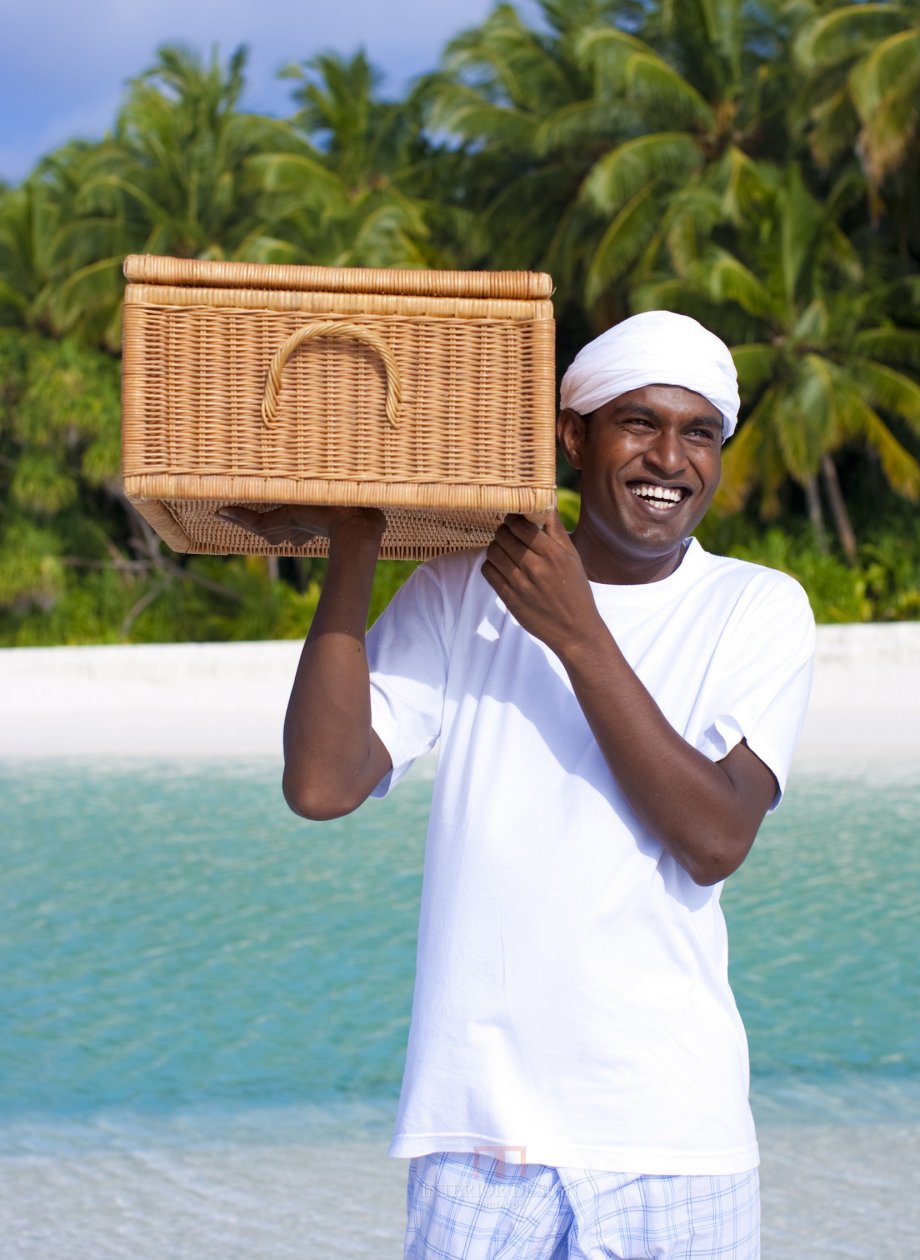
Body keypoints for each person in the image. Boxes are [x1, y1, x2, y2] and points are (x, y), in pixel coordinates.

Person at [221, 310, 815, 1260]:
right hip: (475, 1131)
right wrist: (355, 544)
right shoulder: (463, 589)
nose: (671, 458)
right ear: (575, 436)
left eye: (699, 432)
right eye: (640, 422)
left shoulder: (756, 606)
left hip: (671, 1133)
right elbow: (324, 783)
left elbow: (715, 841)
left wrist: (575, 630)